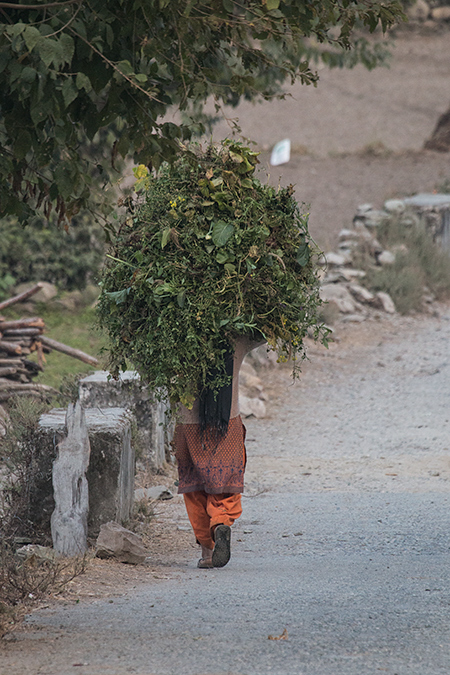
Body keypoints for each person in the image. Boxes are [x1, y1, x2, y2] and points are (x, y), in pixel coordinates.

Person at [173, 336, 265, 569]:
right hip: (226, 427)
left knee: (196, 489)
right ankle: (221, 522)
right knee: (225, 484)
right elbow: (264, 331)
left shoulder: (174, 342)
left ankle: (207, 553)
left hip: (188, 430)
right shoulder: (237, 340)